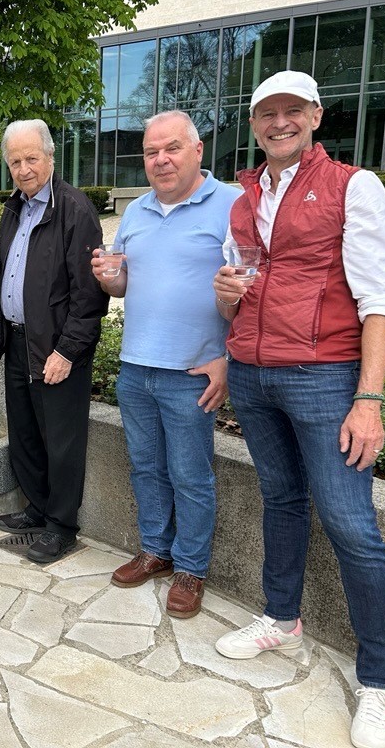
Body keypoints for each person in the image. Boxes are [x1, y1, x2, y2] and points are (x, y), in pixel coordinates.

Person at [211, 71, 385, 748]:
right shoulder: (244, 198)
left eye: (293, 110)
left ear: (317, 116)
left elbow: (380, 299)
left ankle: (384, 682)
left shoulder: (354, 187)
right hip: (253, 374)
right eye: (267, 113)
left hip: (325, 377)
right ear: (254, 123)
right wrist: (226, 297)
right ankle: (282, 618)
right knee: (282, 501)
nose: (280, 122)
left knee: (352, 524)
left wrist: (369, 399)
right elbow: (235, 296)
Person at [91, 111, 240, 617]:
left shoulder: (231, 205)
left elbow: (251, 289)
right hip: (135, 367)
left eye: (171, 148)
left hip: (193, 372)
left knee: (190, 476)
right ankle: (155, 550)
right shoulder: (135, 211)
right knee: (146, 467)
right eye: (151, 152)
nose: (161, 160)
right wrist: (109, 277)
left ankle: (191, 569)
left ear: (198, 150)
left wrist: (227, 357)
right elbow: (121, 286)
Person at [0, 119, 108, 564]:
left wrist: (67, 351)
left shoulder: (75, 210)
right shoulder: (15, 209)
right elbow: (12, 276)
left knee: (62, 442)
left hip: (56, 348)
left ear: (49, 156)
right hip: (19, 342)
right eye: (15, 161)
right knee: (25, 435)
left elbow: (89, 297)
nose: (23, 169)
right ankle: (39, 508)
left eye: (31, 158)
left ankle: (61, 526)